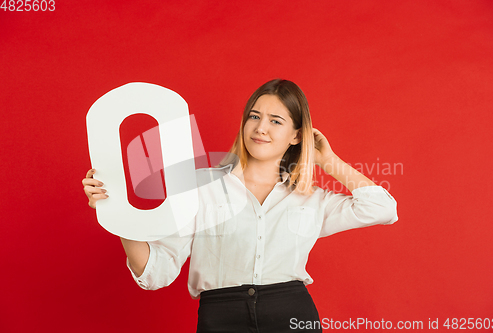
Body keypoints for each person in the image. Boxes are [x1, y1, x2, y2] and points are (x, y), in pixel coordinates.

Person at [82, 79, 398, 332]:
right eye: (254, 116)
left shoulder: (312, 199)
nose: (261, 128)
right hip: (220, 318)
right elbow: (156, 272)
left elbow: (383, 208)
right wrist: (117, 213)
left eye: (276, 121)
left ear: (296, 136)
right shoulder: (200, 186)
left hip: (291, 316)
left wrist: (328, 160)